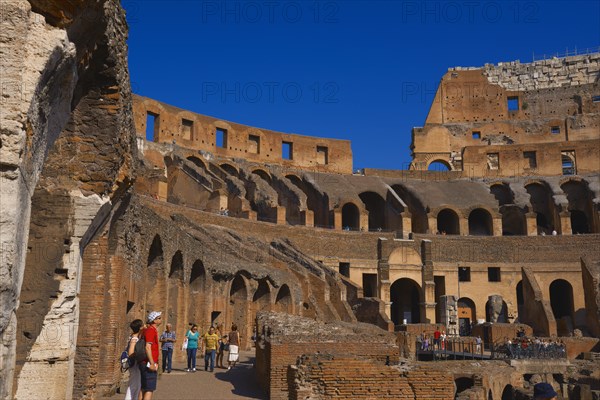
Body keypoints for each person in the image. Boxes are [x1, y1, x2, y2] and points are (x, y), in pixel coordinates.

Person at [141, 311, 162, 400]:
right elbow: (147, 347)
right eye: (159, 318)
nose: (161, 319)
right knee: (149, 389)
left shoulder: (151, 330)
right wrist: (152, 363)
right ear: (154, 320)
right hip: (148, 363)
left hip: (146, 362)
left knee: (143, 388)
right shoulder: (151, 331)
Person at [124, 319, 143, 400]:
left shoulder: (133, 336)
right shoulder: (134, 338)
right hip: (134, 364)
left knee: (137, 385)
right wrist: (140, 353)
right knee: (133, 385)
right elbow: (131, 352)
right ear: (140, 327)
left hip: (136, 364)